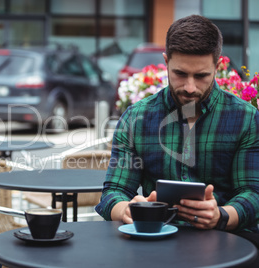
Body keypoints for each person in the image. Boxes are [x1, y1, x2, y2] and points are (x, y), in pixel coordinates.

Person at [96, 15, 259, 248]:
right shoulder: (135, 118)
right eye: (180, 74)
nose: (190, 87)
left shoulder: (245, 118)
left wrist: (221, 215)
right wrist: (127, 210)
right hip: (156, 240)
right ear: (166, 62)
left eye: (201, 76)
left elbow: (253, 193)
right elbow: (114, 191)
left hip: (228, 241)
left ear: (218, 66)